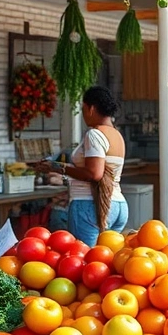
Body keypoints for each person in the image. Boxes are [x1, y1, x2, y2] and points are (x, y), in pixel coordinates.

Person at [44, 86, 127, 246]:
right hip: (117, 206)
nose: (83, 115)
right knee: (105, 262)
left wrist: (58, 167)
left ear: (91, 108)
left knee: (85, 260)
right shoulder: (117, 135)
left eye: (83, 109)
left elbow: (94, 173)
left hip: (90, 206)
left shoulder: (95, 134)